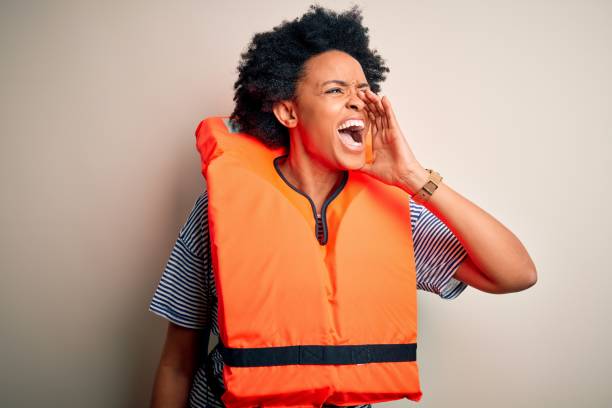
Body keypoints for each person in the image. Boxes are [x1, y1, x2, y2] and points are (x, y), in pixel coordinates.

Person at [148, 5, 537, 408]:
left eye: (363, 90)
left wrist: (414, 177)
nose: (358, 102)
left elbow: (516, 274)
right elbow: (177, 362)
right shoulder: (219, 208)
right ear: (288, 111)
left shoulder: (395, 209)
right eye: (336, 90)